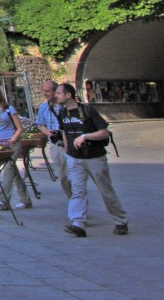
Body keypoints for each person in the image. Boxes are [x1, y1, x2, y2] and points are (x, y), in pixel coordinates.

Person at [54, 82, 128, 237]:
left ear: (68, 95)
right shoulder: (62, 113)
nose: (56, 95)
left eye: (59, 93)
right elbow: (65, 134)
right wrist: (68, 153)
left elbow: (104, 133)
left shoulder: (87, 111)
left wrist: (85, 136)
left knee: (105, 190)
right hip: (75, 159)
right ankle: (78, 223)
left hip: (94, 157)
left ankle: (121, 221)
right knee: (77, 192)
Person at [0, 87, 30, 209]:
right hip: (1, 144)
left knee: (8, 170)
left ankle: (3, 200)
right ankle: (26, 199)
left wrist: (13, 140)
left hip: (12, 143)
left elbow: (20, 128)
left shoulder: (9, 110)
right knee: (13, 172)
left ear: (0, 95)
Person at [34, 79, 68, 196]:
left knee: (76, 175)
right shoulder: (43, 107)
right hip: (56, 146)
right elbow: (40, 124)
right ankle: (74, 198)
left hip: (71, 144)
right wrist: (48, 133)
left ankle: (78, 200)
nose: (44, 93)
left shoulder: (66, 106)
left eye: (47, 91)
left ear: (55, 91)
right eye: (43, 91)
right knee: (63, 178)